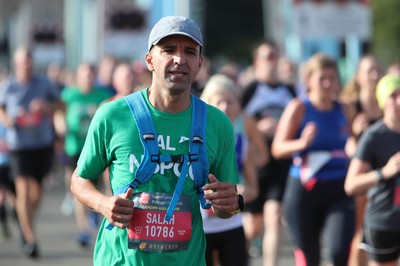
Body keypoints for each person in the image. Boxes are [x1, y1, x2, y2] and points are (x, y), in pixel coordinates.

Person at [70, 16, 242, 266]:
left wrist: (232, 204)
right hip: (120, 260)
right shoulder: (113, 115)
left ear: (199, 64)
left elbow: (225, 209)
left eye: (189, 52)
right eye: (168, 50)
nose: (179, 59)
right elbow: (80, 180)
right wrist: (104, 204)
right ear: (150, 59)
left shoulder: (218, 124)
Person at [271, 53, 356, 266]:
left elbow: (353, 142)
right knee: (310, 259)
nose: (328, 83)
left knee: (339, 252)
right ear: (309, 80)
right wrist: (302, 143)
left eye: (332, 78)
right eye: (322, 78)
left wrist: (356, 142)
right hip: (304, 191)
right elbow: (277, 148)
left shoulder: (345, 109)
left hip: (339, 189)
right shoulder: (299, 107)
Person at [200, 74, 268, 266]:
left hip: (232, 224)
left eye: (230, 101)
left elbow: (253, 188)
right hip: (200, 226)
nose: (225, 107)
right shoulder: (194, 139)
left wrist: (242, 195)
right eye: (218, 101)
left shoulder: (241, 141)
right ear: (207, 104)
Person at [0, 47, 60, 258]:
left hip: (41, 144)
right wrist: (6, 119)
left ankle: (26, 222)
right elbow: (1, 108)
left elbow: (61, 105)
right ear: (16, 64)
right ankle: (29, 237)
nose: (26, 65)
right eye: (22, 61)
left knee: (36, 192)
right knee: (23, 189)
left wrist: (45, 107)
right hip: (18, 145)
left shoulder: (44, 84)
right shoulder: (8, 86)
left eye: (29, 61)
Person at [241, 39, 296, 266]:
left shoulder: (289, 90)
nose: (272, 61)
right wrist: (256, 129)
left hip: (280, 163)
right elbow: (234, 121)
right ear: (257, 62)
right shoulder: (251, 90)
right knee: (253, 226)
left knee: (274, 218)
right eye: (267, 57)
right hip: (254, 162)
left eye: (275, 56)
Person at [344, 74, 400, 266]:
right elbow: (351, 185)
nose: (399, 100)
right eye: (393, 96)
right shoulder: (373, 136)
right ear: (383, 102)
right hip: (384, 222)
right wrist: (383, 172)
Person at [58, 62, 112, 246]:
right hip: (75, 148)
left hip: (97, 148)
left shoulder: (103, 95)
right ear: (78, 77)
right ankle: (83, 230)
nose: (88, 78)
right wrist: (60, 125)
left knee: (99, 186)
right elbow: (59, 112)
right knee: (78, 186)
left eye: (91, 75)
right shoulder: (69, 94)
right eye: (84, 75)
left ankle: (95, 213)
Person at [340, 55, 382, 266]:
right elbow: (343, 142)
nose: (374, 75)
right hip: (359, 174)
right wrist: (354, 132)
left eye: (377, 70)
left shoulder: (388, 105)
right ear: (358, 76)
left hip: (384, 175)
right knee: (360, 230)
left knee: (378, 231)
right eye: (369, 71)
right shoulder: (351, 106)